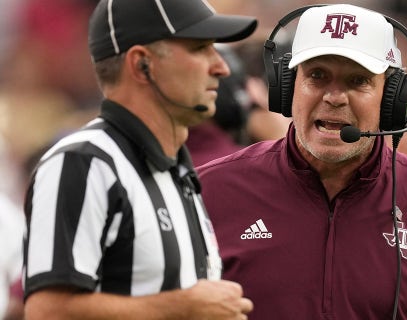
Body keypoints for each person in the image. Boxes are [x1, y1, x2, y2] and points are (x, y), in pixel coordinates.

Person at [197, 4, 407, 319]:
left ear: (392, 100)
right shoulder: (209, 192)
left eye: (357, 81)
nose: (333, 97)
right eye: (316, 76)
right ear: (286, 87)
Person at [22, 0, 257, 319]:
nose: (221, 67)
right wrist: (181, 308)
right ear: (141, 64)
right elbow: (47, 312)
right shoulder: (85, 162)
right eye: (200, 48)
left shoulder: (175, 168)